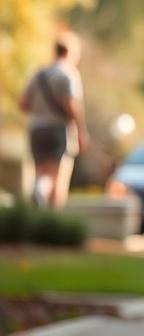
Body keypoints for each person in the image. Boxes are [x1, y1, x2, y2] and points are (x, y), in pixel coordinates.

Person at [20, 32, 90, 209]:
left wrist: (40, 107)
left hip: (36, 128)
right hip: (59, 129)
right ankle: (51, 212)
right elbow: (72, 106)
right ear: (70, 52)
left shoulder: (39, 74)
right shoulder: (68, 74)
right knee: (59, 177)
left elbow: (23, 103)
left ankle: (39, 190)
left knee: (42, 173)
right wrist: (81, 132)